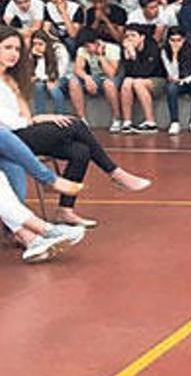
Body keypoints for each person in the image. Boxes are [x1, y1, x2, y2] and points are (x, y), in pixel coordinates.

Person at [0, 25, 153, 229]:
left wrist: (41, 117)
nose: (14, 54)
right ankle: (114, 172)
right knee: (76, 124)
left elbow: (25, 116)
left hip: (23, 133)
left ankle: (65, 210)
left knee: (80, 151)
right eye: (7, 47)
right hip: (7, 139)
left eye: (17, 49)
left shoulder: (11, 79)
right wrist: (35, 121)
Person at [67, 28, 124, 130]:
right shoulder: (82, 50)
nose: (87, 49)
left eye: (89, 46)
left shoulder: (113, 48)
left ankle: (117, 118)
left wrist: (100, 55)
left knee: (108, 84)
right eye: (85, 47)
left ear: (97, 42)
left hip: (114, 76)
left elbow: (111, 73)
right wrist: (87, 78)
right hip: (95, 76)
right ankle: (82, 119)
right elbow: (77, 69)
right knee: (73, 82)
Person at [118, 22, 163, 132]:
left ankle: (151, 122)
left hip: (157, 79)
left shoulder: (152, 47)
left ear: (142, 37)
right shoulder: (125, 48)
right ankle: (127, 122)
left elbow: (145, 72)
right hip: (137, 79)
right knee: (127, 81)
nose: (129, 39)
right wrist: (128, 56)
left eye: (133, 35)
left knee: (138, 82)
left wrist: (133, 55)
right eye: (127, 36)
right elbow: (129, 73)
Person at [161, 27, 191, 134]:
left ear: (184, 39)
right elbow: (172, 74)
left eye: (178, 40)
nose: (175, 43)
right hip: (176, 81)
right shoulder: (164, 51)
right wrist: (174, 55)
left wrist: (185, 80)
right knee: (171, 88)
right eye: (172, 40)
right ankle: (174, 121)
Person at [29, 30, 72, 115]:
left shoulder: (59, 49)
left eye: (40, 44)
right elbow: (37, 74)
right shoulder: (35, 53)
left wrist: (49, 79)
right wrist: (35, 57)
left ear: (47, 43)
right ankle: (40, 116)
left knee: (54, 88)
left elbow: (62, 71)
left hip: (63, 77)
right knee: (38, 86)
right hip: (46, 78)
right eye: (34, 44)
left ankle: (60, 116)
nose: (37, 47)